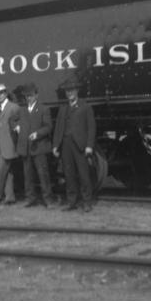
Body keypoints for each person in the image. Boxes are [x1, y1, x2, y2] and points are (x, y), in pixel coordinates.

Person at [52, 78, 96, 212]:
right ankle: (72, 202)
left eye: (71, 90)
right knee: (69, 175)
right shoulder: (63, 108)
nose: (69, 93)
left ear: (77, 91)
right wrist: (55, 145)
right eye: (67, 91)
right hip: (65, 144)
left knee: (83, 174)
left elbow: (91, 127)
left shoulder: (85, 106)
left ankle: (87, 202)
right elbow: (58, 128)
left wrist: (89, 145)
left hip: (80, 145)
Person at [17, 82, 54, 208]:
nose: (29, 98)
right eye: (27, 96)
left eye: (31, 95)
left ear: (36, 95)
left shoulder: (44, 109)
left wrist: (37, 134)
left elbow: (48, 126)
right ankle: (30, 198)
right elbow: (12, 120)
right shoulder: (21, 110)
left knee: (43, 175)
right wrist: (15, 127)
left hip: (39, 147)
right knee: (28, 176)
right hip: (26, 149)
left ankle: (48, 200)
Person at [0, 83, 20, 205]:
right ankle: (10, 197)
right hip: (0, 147)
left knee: (1, 170)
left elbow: (18, 127)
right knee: (8, 172)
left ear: (6, 93)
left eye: (1, 93)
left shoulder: (14, 107)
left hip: (9, 146)